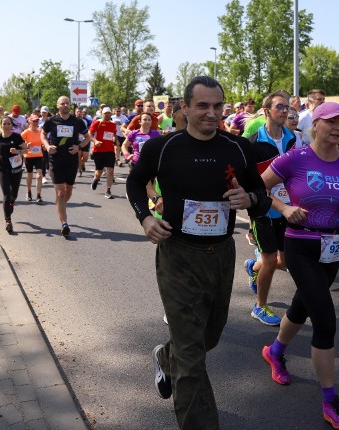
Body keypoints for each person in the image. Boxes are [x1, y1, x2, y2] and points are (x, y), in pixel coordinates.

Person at [126, 75, 271, 430]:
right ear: (185, 108)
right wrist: (145, 217)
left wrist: (249, 199)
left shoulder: (237, 148)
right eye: (202, 106)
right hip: (177, 254)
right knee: (192, 360)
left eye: (217, 106)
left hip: (220, 254)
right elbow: (133, 181)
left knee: (210, 335)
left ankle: (166, 354)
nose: (211, 113)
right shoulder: (162, 147)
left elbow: (260, 196)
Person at [260, 102, 339, 429]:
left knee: (302, 305)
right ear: (315, 124)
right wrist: (282, 207)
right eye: (332, 122)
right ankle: (330, 400)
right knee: (325, 320)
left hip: (334, 246)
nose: (338, 128)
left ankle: (275, 351)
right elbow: (259, 188)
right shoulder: (296, 157)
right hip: (300, 244)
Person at [244, 92, 297, 326]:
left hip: (287, 208)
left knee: (284, 261)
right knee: (269, 259)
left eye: (287, 107)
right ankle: (259, 306)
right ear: (266, 111)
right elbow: (253, 184)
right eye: (279, 107)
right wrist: (278, 205)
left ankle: (252, 267)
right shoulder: (253, 143)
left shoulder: (292, 138)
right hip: (263, 209)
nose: (285, 111)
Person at [41, 96, 91, 237]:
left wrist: (79, 147)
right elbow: (43, 135)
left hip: (71, 161)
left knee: (68, 192)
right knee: (60, 193)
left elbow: (87, 137)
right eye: (62, 103)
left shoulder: (77, 122)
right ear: (57, 106)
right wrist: (47, 146)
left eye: (67, 103)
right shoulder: (51, 121)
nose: (65, 105)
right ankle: (64, 224)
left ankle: (60, 205)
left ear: (70, 105)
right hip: (55, 160)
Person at [0, 117, 27, 234]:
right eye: (4, 124)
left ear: (11, 126)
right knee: (6, 195)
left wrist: (17, 152)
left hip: (16, 169)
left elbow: (26, 149)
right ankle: (8, 221)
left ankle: (11, 203)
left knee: (14, 194)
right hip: (2, 169)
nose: (6, 126)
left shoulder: (16, 137)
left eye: (8, 124)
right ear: (1, 125)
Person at [89, 107, 118, 198]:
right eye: (105, 113)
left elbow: (114, 135)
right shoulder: (97, 122)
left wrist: (115, 139)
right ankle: (96, 178)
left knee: (111, 170)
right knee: (99, 171)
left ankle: (108, 191)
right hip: (99, 150)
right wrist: (95, 141)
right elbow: (89, 134)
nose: (107, 114)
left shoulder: (113, 124)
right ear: (102, 114)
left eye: (109, 113)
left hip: (110, 150)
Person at [21, 115, 44, 202]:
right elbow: (19, 141)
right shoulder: (26, 132)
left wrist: (44, 145)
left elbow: (43, 141)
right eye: (34, 121)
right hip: (29, 156)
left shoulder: (41, 131)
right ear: (30, 122)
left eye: (37, 121)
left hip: (38, 155)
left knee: (39, 175)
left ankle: (38, 195)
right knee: (30, 175)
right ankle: (29, 192)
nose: (35, 123)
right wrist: (26, 145)